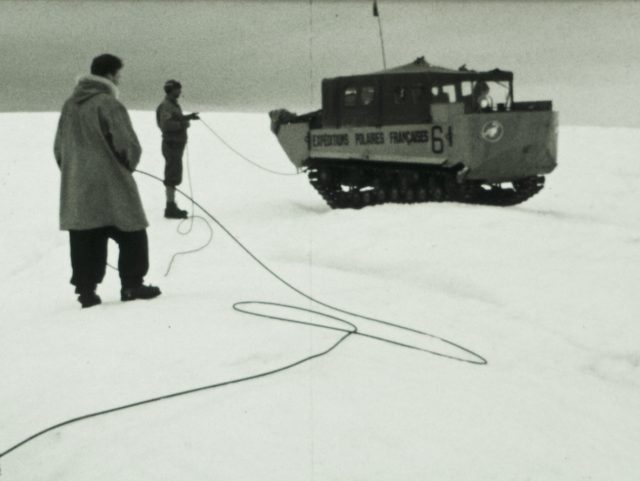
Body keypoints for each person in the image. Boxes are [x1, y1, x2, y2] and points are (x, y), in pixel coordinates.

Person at [54, 53, 161, 308]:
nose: (120, 80)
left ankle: (86, 292)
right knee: (132, 232)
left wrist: (74, 172)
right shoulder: (109, 104)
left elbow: (59, 148)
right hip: (111, 184)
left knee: (84, 236)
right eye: (119, 75)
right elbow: (128, 146)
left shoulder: (70, 104)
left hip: (78, 186)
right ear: (111, 75)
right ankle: (132, 285)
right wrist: (125, 168)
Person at [156, 79, 199, 219]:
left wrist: (189, 117)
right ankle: (170, 207)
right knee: (171, 176)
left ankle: (171, 205)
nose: (180, 91)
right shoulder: (166, 106)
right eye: (177, 89)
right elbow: (166, 125)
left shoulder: (172, 105)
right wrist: (184, 124)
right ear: (171, 90)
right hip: (171, 144)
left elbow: (176, 118)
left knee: (173, 174)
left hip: (175, 144)